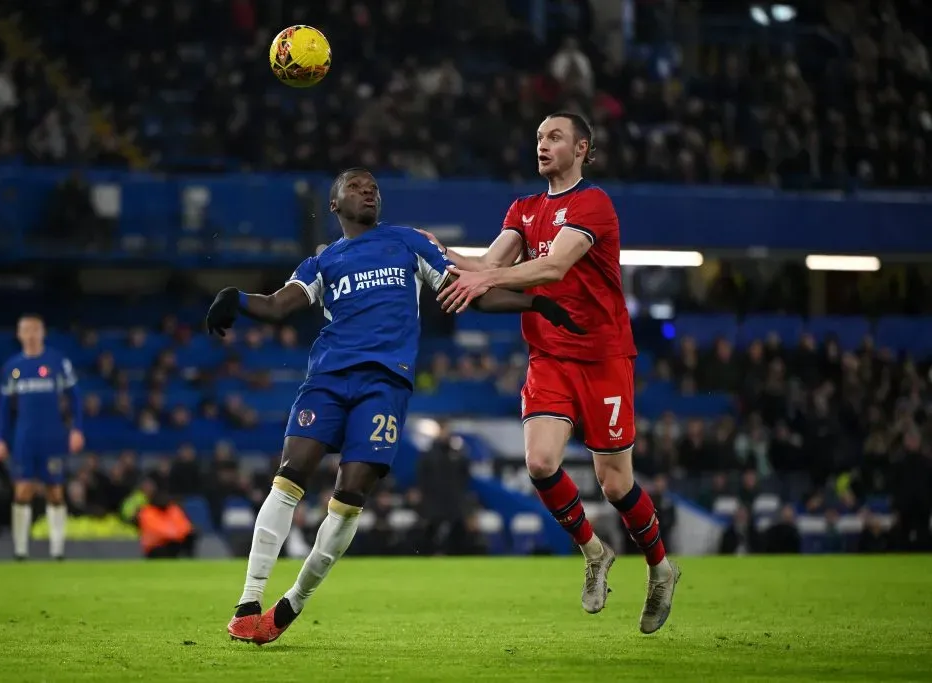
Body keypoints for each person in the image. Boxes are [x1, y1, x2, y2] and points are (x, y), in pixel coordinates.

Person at [206, 168, 584, 645]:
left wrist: (537, 304)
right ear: (334, 203)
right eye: (356, 185)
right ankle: (248, 602)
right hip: (326, 379)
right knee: (291, 471)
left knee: (350, 496)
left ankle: (291, 604)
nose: (368, 190)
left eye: (374, 187)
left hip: (384, 386)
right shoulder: (322, 263)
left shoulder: (407, 243)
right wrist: (235, 298)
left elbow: (473, 295)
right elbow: (279, 305)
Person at [425, 112, 680, 634]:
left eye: (555, 137)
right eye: (539, 136)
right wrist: (436, 252)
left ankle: (660, 568)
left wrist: (489, 276)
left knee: (615, 484)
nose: (542, 144)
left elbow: (553, 268)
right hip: (550, 357)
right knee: (540, 463)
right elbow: (486, 265)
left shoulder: (594, 204)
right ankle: (594, 552)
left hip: (605, 357)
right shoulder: (524, 208)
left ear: (582, 148)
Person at [0, 314, 84, 560]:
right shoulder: (13, 367)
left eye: (35, 330)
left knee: (55, 491)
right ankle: (20, 550)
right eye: (26, 330)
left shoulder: (57, 362)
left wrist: (76, 429)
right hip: (24, 437)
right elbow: (4, 407)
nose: (31, 334)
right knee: (22, 490)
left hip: (53, 436)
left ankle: (57, 551)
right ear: (19, 334)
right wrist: (0, 438)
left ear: (43, 333)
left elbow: (75, 397)